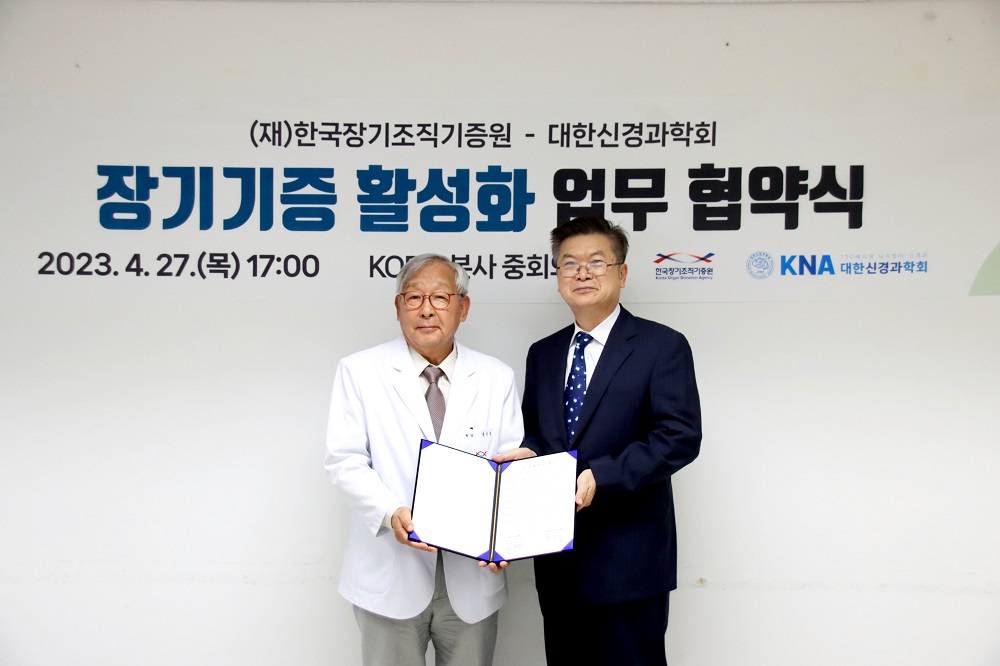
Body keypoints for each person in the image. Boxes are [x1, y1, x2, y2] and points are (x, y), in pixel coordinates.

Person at [495, 216, 702, 665]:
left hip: (629, 563)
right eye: (569, 264)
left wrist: (600, 476)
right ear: (558, 276)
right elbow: (539, 432)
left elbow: (679, 436)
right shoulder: (543, 353)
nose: (582, 273)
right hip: (559, 562)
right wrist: (528, 452)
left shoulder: (661, 346)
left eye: (596, 262)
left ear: (622, 273)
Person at [324, 253, 524, 666]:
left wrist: (505, 534)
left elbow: (509, 468)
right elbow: (344, 460)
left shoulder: (496, 377)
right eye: (414, 297)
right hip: (390, 571)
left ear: (463, 308)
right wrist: (390, 511)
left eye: (440, 297)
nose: (427, 309)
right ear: (398, 307)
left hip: (472, 577)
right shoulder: (359, 371)